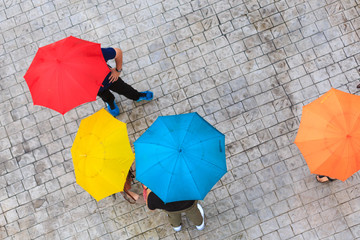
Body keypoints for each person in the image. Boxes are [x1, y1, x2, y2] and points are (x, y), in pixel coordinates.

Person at [99, 47, 153, 117]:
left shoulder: (89, 53)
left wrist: (118, 70)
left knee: (125, 89)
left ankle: (137, 96)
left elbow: (117, 52)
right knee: (105, 96)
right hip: (94, 89)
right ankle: (110, 103)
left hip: (110, 78)